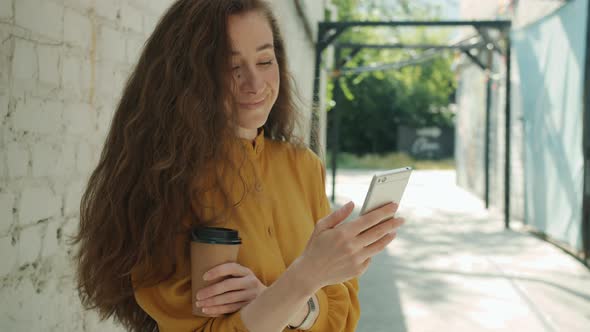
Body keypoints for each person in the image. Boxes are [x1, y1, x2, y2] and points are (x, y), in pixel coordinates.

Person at [72, 0, 404, 331]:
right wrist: (307, 277)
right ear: (189, 76)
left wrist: (283, 302)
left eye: (264, 60)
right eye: (232, 67)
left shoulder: (304, 167)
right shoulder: (167, 178)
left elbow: (341, 318)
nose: (255, 83)